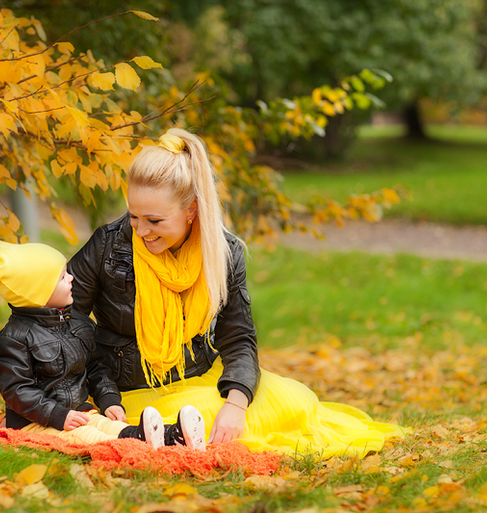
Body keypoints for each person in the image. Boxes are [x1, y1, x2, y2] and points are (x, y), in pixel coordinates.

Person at [67, 128, 406, 459]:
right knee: (191, 417)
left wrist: (236, 403)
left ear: (191, 210)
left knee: (296, 401)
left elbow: (239, 336)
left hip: (199, 377)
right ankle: (159, 431)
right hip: (127, 391)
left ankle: (190, 427)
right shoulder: (108, 245)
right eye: (134, 216)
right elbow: (64, 316)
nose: (140, 231)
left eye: (155, 220)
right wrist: (89, 386)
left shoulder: (222, 252)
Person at [0, 240, 207, 449]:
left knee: (108, 425)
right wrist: (57, 414)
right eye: (62, 277)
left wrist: (109, 400)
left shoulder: (78, 323)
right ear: (38, 293)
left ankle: (173, 436)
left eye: (67, 272)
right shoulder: (13, 339)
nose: (71, 279)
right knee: (86, 436)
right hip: (37, 422)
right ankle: (139, 442)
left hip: (79, 412)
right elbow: (18, 391)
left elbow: (96, 367)